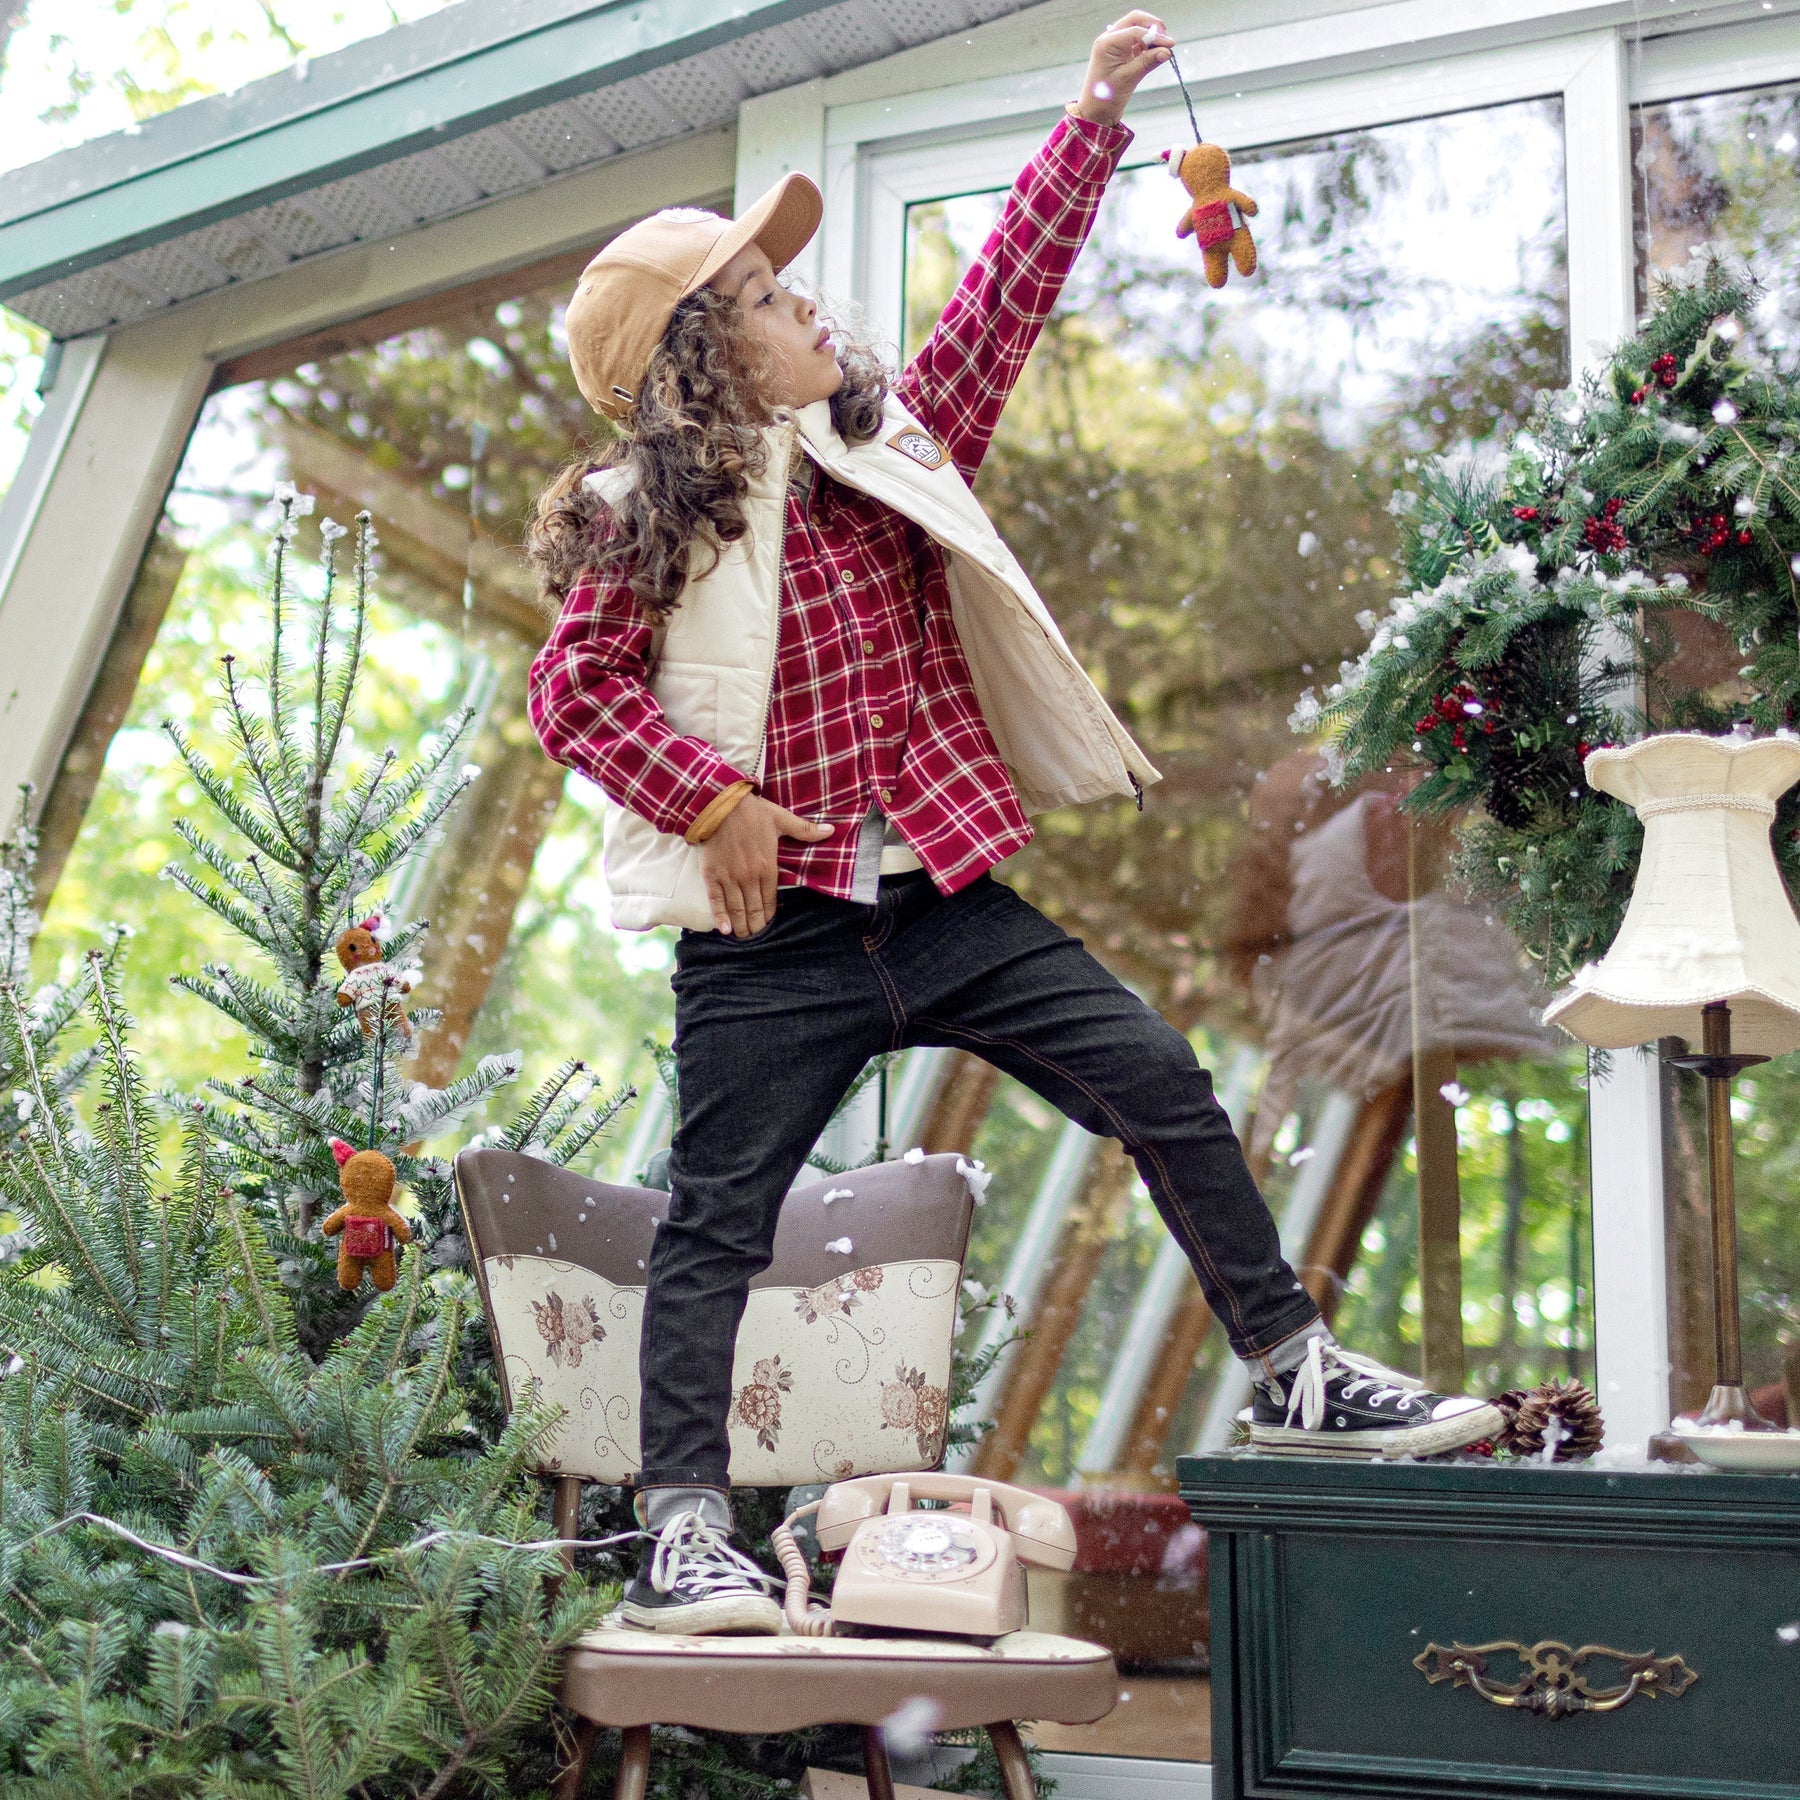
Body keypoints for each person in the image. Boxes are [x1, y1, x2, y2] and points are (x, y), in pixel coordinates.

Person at [525, 11, 1502, 1636]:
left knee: (1161, 1079)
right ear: (697, 361)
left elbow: (997, 313)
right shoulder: (647, 517)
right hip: (774, 947)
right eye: (762, 298)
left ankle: (1296, 1365)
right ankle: (684, 1529)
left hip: (945, 903)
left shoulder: (889, 452)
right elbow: (571, 695)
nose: (805, 305)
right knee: (717, 1224)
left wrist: (1092, 121)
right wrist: (713, 801)